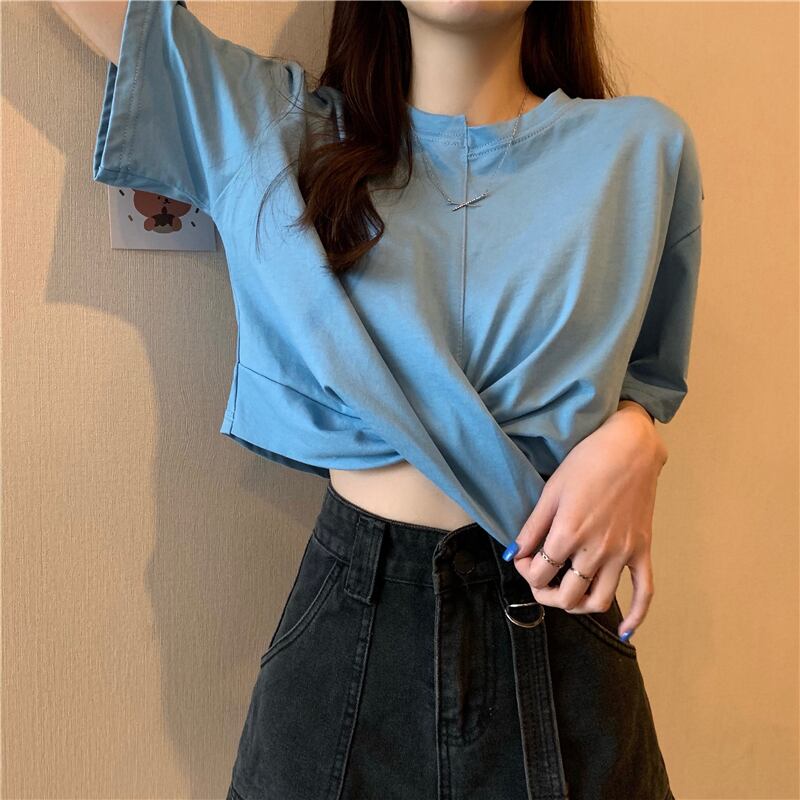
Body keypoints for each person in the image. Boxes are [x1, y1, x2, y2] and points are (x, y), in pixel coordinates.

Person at [54, 1, 703, 798]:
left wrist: (638, 435)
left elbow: (648, 372)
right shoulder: (278, 132)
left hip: (556, 621)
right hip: (351, 627)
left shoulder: (641, 149)